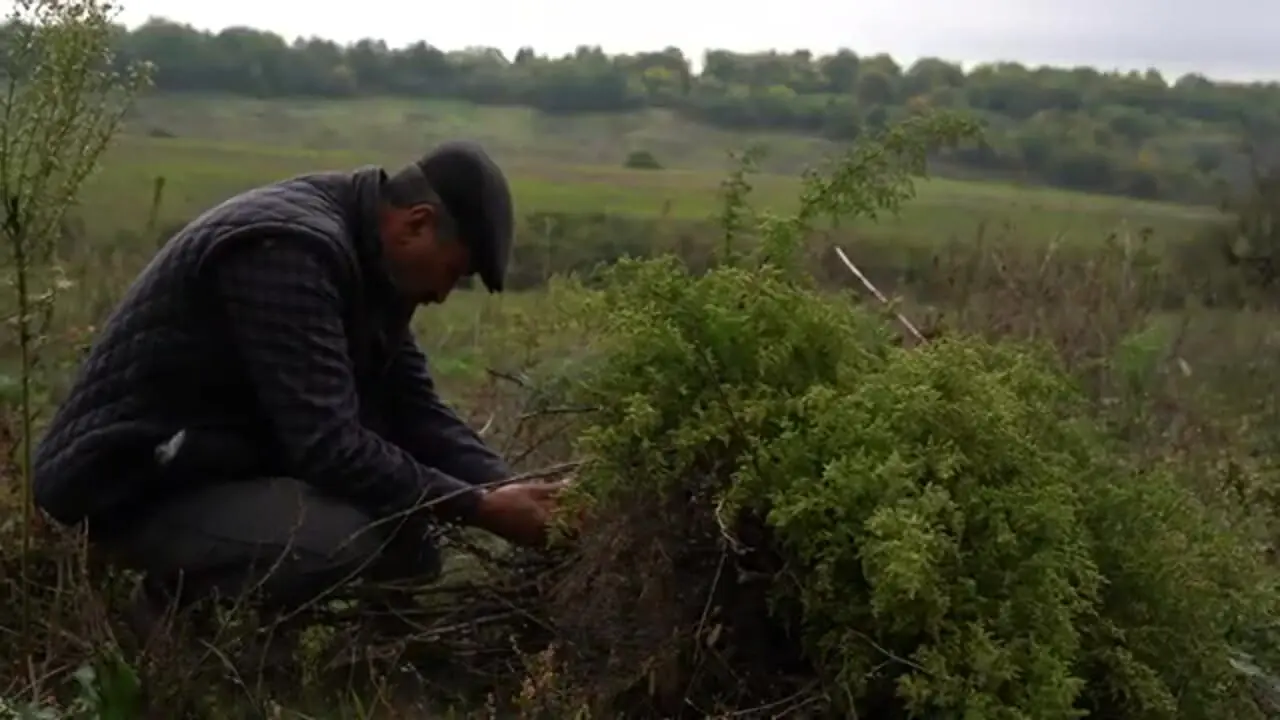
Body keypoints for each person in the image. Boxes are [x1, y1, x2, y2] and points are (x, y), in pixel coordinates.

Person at [32, 140, 564, 622]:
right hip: (124, 486)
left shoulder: (368, 261)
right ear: (416, 223)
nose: (444, 294)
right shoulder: (288, 252)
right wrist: (479, 508)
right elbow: (328, 445)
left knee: (410, 542)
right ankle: (155, 632)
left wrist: (505, 488)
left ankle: (320, 660)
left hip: (206, 468)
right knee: (340, 540)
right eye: (452, 273)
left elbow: (414, 408)